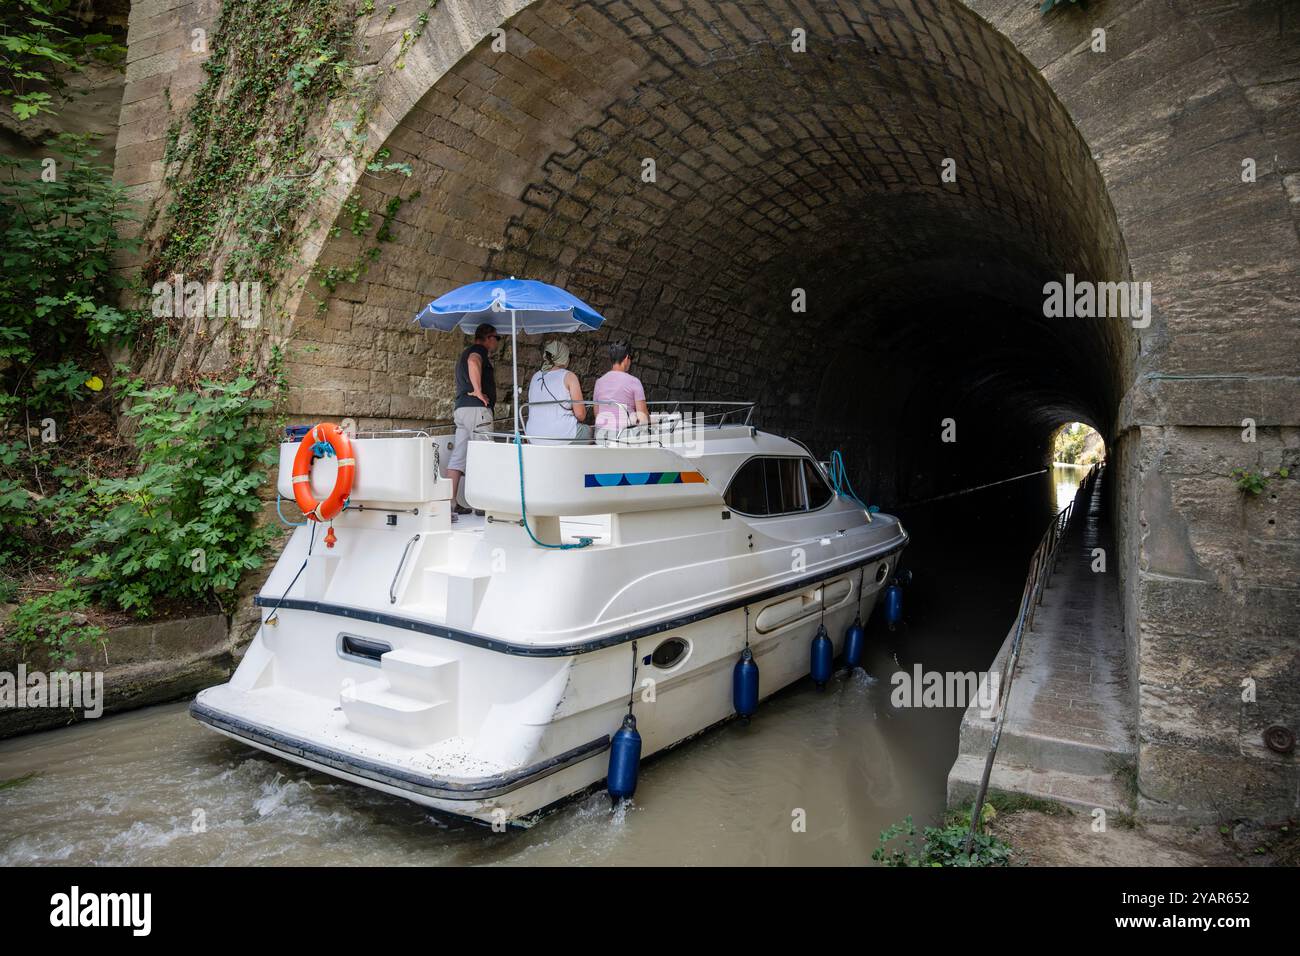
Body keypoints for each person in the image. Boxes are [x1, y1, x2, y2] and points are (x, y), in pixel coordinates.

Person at [447, 323, 498, 518]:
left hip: (462, 410)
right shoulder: (478, 351)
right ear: (487, 338)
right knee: (484, 454)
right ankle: (481, 503)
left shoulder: (464, 352)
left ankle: (450, 504)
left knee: (458, 456)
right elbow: (473, 362)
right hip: (477, 410)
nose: (497, 342)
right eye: (496, 338)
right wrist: (478, 391)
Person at [525, 340, 591, 444]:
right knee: (587, 431)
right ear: (564, 357)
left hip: (532, 436)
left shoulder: (535, 376)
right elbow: (581, 414)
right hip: (560, 435)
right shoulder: (569, 376)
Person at [592, 341, 648, 439]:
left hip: (601, 435)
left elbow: (597, 413)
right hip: (624, 436)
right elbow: (642, 417)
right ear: (626, 358)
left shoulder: (599, 382)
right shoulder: (634, 382)